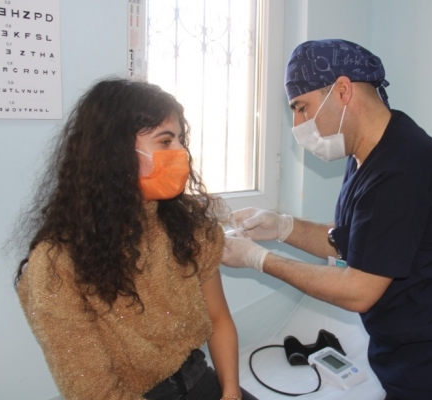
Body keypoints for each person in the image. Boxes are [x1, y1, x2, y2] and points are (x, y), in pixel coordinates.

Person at [222, 39, 432, 400]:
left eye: (301, 107)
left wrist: (258, 260)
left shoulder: (404, 168)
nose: (297, 124)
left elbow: (358, 291)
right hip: (406, 353)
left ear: (342, 90)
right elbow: (358, 241)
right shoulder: (366, 154)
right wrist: (283, 227)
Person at [14, 78, 257, 400]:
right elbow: (94, 390)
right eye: (165, 141)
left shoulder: (188, 227)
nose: (181, 153)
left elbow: (218, 318)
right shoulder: (56, 266)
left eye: (181, 140)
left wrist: (231, 393)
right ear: (116, 152)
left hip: (200, 379)